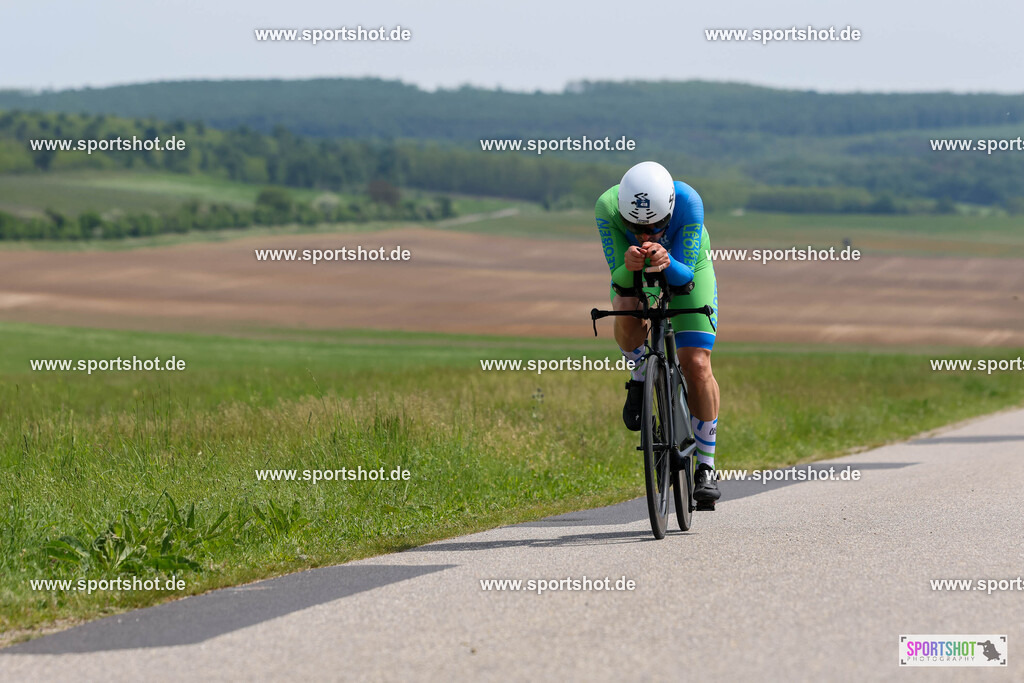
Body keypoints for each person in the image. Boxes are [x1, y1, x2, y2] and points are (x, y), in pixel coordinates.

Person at [594, 161, 721, 509]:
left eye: (655, 226)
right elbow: (619, 279)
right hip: (634, 274)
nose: (645, 234)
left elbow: (684, 279)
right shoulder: (606, 207)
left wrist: (667, 260)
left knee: (695, 362)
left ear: (669, 211)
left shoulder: (688, 202)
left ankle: (706, 467)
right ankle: (639, 373)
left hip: (686, 265)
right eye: (636, 227)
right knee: (624, 303)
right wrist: (628, 264)